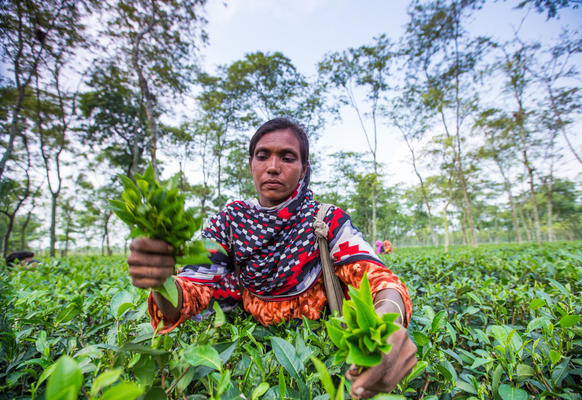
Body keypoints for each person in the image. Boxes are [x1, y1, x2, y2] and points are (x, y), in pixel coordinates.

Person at [127, 118, 417, 399]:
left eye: (288, 158)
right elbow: (191, 290)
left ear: (304, 169)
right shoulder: (230, 221)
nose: (273, 167)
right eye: (262, 156)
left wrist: (387, 326)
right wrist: (161, 281)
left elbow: (377, 278)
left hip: (321, 348)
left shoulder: (326, 219)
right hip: (251, 345)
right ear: (251, 164)